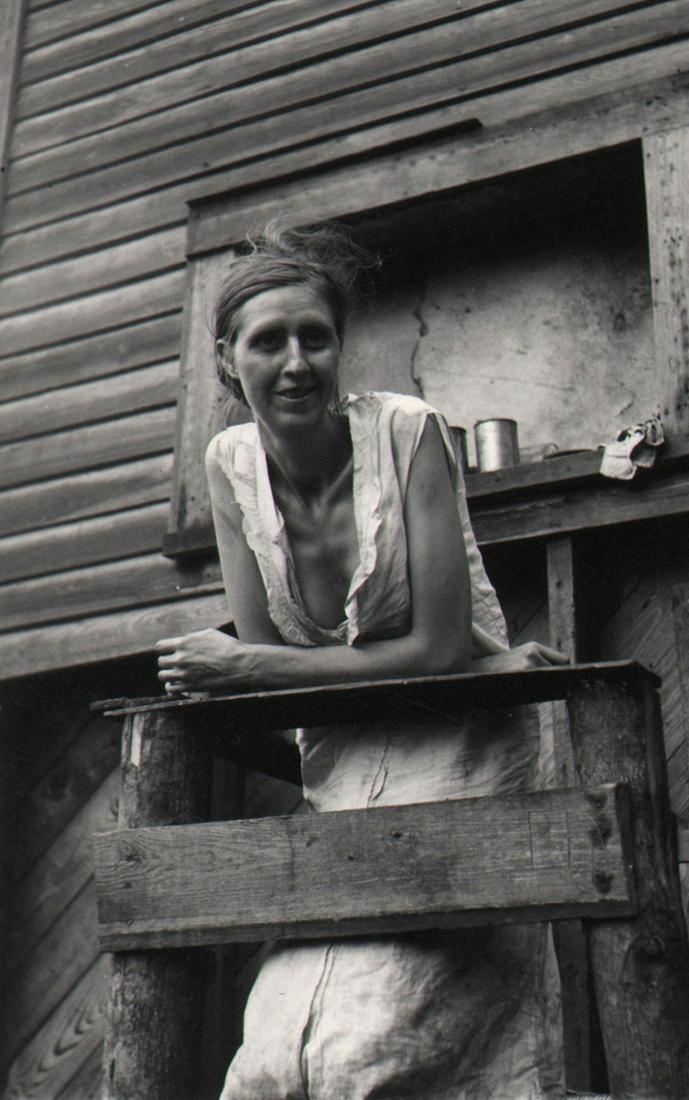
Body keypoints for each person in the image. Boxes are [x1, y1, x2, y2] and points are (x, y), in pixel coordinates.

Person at [154, 224, 567, 1099]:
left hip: (463, 752)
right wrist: (256, 670)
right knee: (267, 1067)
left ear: (340, 347)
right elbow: (275, 657)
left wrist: (250, 672)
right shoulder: (229, 465)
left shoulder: (407, 434)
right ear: (229, 361)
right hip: (340, 769)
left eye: (316, 336)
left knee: (365, 1056)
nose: (297, 361)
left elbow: (435, 648)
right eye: (268, 342)